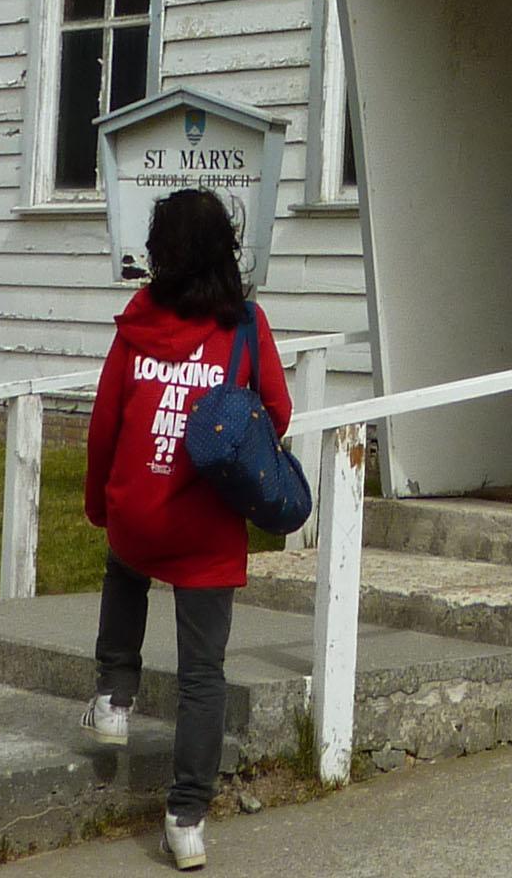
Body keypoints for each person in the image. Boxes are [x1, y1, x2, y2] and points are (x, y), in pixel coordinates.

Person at [82, 190, 292, 870]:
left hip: (138, 511)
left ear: (162, 253)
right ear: (224, 248)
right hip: (206, 525)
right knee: (203, 675)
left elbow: (105, 423)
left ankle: (114, 697)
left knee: (124, 567)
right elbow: (278, 413)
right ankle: (186, 820)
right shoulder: (245, 324)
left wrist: (100, 504)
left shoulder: (137, 321)